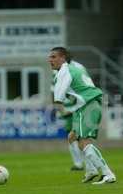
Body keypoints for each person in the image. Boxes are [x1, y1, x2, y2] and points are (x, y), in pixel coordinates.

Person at [49, 47, 116, 184]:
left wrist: (58, 104)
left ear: (62, 58)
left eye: (54, 57)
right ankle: (91, 170)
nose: (50, 59)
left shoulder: (65, 70)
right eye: (50, 57)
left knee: (85, 141)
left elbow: (59, 93)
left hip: (88, 106)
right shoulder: (77, 68)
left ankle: (107, 174)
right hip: (85, 106)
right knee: (72, 137)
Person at [52, 68, 85, 171]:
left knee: (74, 138)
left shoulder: (64, 77)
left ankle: (79, 163)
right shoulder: (68, 75)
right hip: (70, 111)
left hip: (73, 111)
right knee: (75, 138)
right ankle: (81, 163)